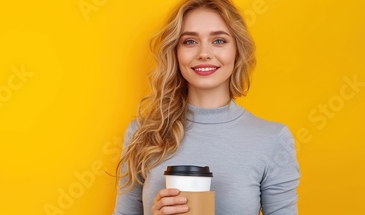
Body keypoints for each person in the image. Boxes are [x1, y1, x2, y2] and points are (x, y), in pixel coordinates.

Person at [113, 0, 300, 214]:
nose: (204, 53)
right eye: (190, 41)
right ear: (175, 52)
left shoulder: (273, 139)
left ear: (237, 51)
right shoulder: (143, 133)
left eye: (219, 40)